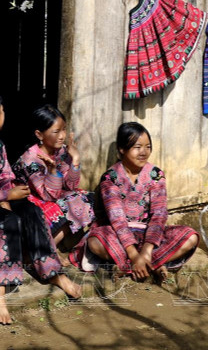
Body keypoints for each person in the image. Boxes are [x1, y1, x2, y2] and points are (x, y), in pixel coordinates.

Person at [0, 90, 81, 324]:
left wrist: (10, 195)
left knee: (30, 210)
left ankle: (52, 271)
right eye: (3, 110)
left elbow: (6, 174)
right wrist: (6, 194)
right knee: (8, 222)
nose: (4, 114)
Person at [73, 121, 198, 282]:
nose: (144, 152)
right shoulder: (110, 178)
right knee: (95, 242)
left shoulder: (156, 175)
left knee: (190, 237)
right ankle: (153, 264)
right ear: (122, 149)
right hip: (118, 233)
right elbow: (117, 220)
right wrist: (133, 254)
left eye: (148, 146)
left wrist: (146, 250)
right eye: (137, 147)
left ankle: (131, 264)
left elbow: (159, 214)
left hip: (148, 234)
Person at [13, 105, 95, 257]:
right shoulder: (30, 159)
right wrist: (52, 171)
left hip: (55, 194)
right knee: (69, 205)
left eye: (64, 129)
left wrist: (75, 160)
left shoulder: (62, 151)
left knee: (91, 198)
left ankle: (64, 241)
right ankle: (48, 251)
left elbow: (70, 185)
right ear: (39, 134)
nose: (62, 136)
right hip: (31, 201)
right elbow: (47, 196)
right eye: (56, 131)